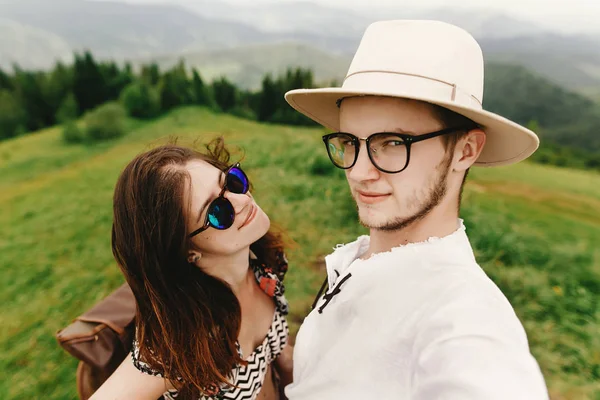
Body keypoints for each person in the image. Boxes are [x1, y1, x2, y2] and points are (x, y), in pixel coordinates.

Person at [283, 20, 549, 399]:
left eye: (393, 142)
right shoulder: (361, 261)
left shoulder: (466, 324)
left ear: (465, 150)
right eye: (348, 142)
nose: (358, 172)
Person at [90, 138, 293, 400]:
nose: (242, 200)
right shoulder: (180, 343)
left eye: (231, 182)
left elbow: (280, 355)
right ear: (186, 250)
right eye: (216, 211)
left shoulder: (263, 267)